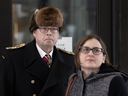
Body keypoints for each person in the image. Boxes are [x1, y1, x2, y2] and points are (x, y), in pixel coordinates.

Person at [0, 7, 75, 96]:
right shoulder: (13, 58)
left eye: (54, 28)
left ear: (59, 33)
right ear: (34, 32)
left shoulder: (69, 60)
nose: (49, 33)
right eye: (44, 28)